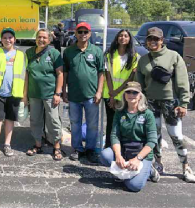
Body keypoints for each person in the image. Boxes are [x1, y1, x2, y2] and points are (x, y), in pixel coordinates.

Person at [136, 27, 195, 182]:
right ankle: (158, 163)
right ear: (146, 41)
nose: (153, 42)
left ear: (162, 40)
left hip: (171, 102)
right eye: (150, 39)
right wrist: (137, 102)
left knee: (176, 135)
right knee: (153, 135)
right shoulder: (143, 60)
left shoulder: (174, 56)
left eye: (156, 39)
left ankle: (186, 167)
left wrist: (184, 103)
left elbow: (183, 81)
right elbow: (138, 85)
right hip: (150, 103)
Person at [99, 82, 160, 192]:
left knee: (134, 186)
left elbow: (152, 141)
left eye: (135, 92)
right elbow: (115, 135)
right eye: (128, 91)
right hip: (124, 150)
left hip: (141, 154)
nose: (131, 94)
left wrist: (137, 159)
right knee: (105, 155)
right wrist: (118, 156)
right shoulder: (119, 112)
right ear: (124, 95)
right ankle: (126, 169)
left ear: (140, 95)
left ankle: (149, 170)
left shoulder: (147, 114)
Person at [62, 22, 104, 164]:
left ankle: (90, 149)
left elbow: (101, 73)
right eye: (80, 31)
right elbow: (65, 73)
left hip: (92, 95)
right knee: (75, 123)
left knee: (92, 124)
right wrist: (64, 91)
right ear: (75, 33)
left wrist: (99, 92)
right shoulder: (68, 51)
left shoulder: (96, 51)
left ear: (90, 33)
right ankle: (77, 148)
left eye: (85, 31)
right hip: (74, 95)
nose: (82, 34)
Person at [0, 27, 27, 161]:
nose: (7, 40)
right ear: (1, 40)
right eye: (5, 37)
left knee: (10, 119)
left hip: (14, 93)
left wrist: (24, 96)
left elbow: (26, 75)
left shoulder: (21, 54)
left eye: (10, 37)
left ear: (14, 39)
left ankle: (7, 144)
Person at [24, 29, 64, 161]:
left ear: (49, 40)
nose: (41, 40)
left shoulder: (54, 53)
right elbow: (27, 74)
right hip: (34, 94)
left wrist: (58, 93)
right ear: (35, 38)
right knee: (35, 120)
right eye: (39, 37)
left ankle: (56, 146)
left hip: (50, 94)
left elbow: (60, 74)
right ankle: (38, 144)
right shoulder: (29, 52)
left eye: (44, 38)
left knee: (53, 120)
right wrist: (25, 95)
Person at [103, 29, 139, 149]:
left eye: (126, 36)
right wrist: (112, 95)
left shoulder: (134, 57)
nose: (123, 38)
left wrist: (117, 93)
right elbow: (107, 74)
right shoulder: (109, 54)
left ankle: (122, 149)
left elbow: (130, 78)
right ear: (117, 38)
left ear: (130, 39)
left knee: (123, 123)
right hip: (109, 93)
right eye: (121, 36)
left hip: (125, 95)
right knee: (111, 123)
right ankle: (109, 148)